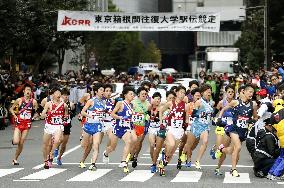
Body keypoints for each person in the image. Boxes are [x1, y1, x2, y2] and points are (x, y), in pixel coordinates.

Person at [214, 84, 257, 177]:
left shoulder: (253, 104)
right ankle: (233, 170)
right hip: (233, 128)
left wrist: (252, 120)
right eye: (249, 92)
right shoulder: (235, 102)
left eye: (252, 93)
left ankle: (221, 148)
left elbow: (256, 117)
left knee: (231, 150)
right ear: (244, 92)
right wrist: (219, 118)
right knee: (238, 147)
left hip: (243, 130)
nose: (251, 94)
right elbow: (224, 108)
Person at [103, 87, 137, 173]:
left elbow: (130, 116)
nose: (132, 96)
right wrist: (120, 117)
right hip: (118, 127)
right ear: (125, 95)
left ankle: (123, 161)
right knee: (112, 147)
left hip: (127, 127)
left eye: (133, 94)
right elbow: (112, 114)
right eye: (131, 94)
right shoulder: (120, 103)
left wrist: (134, 117)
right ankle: (106, 153)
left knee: (130, 141)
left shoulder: (132, 105)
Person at [159, 86, 189, 176]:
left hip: (179, 131)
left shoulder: (186, 105)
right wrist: (161, 123)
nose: (182, 94)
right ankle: (162, 162)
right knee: (171, 144)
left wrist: (187, 125)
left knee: (171, 153)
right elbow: (161, 111)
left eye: (184, 93)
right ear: (177, 93)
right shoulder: (170, 103)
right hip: (170, 129)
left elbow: (187, 118)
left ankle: (162, 164)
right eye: (181, 92)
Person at [9, 85, 38, 165]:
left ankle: (15, 159)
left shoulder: (34, 101)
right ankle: (14, 140)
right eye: (27, 90)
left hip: (27, 124)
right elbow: (11, 109)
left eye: (30, 90)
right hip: (19, 123)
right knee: (16, 141)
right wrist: (15, 116)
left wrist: (34, 117)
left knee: (21, 143)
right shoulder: (19, 100)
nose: (28, 91)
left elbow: (37, 112)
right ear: (24, 91)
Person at [187, 84, 214, 169]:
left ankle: (197, 160)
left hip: (205, 127)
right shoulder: (199, 102)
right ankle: (186, 157)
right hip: (196, 125)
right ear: (202, 93)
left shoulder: (211, 103)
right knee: (189, 146)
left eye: (210, 92)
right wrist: (201, 115)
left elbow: (210, 115)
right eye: (207, 92)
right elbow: (193, 114)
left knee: (205, 141)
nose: (209, 93)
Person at [79, 83, 106, 171]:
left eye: (103, 90)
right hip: (88, 125)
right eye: (101, 90)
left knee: (96, 144)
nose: (103, 92)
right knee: (86, 146)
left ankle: (93, 164)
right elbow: (83, 112)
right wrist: (90, 116)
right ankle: (82, 161)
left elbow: (103, 114)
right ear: (96, 91)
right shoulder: (91, 101)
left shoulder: (103, 102)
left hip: (97, 126)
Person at [210, 85, 235, 175]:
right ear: (226, 93)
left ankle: (218, 168)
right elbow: (214, 113)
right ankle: (214, 147)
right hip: (221, 127)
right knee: (219, 147)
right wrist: (214, 119)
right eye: (229, 92)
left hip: (230, 128)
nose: (231, 93)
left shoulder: (236, 103)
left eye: (232, 92)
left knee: (223, 149)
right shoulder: (221, 103)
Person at [41, 87, 68, 169]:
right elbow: (42, 115)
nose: (59, 94)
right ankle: (45, 160)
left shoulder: (64, 105)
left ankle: (51, 153)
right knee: (45, 144)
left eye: (59, 93)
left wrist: (65, 118)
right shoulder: (48, 104)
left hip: (58, 125)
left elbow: (66, 115)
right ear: (52, 95)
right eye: (57, 93)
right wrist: (47, 114)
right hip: (49, 125)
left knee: (58, 140)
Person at [151, 91, 176, 174]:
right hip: (162, 129)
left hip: (171, 130)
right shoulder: (163, 105)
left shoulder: (175, 107)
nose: (171, 100)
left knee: (169, 147)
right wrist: (162, 121)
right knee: (157, 147)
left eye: (173, 98)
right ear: (166, 98)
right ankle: (154, 164)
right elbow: (157, 107)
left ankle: (162, 164)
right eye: (170, 98)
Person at [179, 88, 201, 168]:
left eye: (199, 96)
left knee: (194, 145)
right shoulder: (189, 105)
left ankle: (185, 153)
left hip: (199, 127)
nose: (198, 97)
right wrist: (187, 123)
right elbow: (186, 116)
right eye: (196, 96)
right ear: (193, 96)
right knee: (189, 142)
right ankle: (188, 159)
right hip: (190, 126)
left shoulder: (202, 105)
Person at [131, 86, 151, 168]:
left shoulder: (148, 104)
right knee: (133, 141)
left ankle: (135, 156)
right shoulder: (133, 102)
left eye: (145, 94)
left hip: (143, 125)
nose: (144, 95)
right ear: (138, 94)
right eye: (142, 94)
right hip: (133, 124)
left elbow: (150, 114)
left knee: (139, 142)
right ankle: (131, 155)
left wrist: (147, 117)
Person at [55, 88, 76, 165]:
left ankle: (59, 157)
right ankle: (56, 149)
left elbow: (73, 115)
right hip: (59, 125)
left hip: (67, 125)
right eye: (64, 95)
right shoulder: (57, 103)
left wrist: (69, 112)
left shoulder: (71, 104)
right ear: (61, 95)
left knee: (64, 144)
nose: (66, 97)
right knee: (59, 139)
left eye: (67, 95)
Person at [267, 99, 284, 180]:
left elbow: (273, 129)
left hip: (281, 137)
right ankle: (276, 174)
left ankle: (271, 173)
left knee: (281, 156)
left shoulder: (272, 115)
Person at [148, 92, 162, 173]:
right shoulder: (150, 107)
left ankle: (154, 164)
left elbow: (165, 116)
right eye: (156, 98)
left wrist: (161, 119)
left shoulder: (161, 107)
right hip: (151, 128)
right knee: (152, 145)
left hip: (159, 128)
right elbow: (146, 114)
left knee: (158, 147)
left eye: (159, 99)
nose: (158, 100)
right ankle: (154, 162)